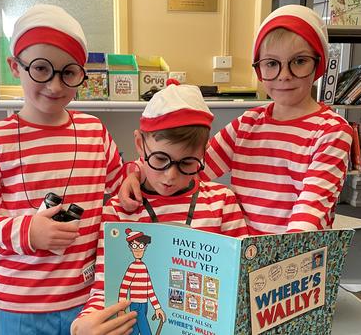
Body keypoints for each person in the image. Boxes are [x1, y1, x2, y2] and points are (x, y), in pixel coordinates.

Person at [0, 4, 136, 335]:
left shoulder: (94, 131)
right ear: (15, 67)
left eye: (69, 72)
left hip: (88, 298)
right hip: (21, 304)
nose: (54, 85)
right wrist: (27, 232)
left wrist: (136, 176)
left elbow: (121, 184)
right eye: (40, 69)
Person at [120, 5, 353, 234]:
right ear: (259, 68)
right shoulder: (248, 123)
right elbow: (192, 164)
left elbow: (310, 212)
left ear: (318, 62)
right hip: (243, 253)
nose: (284, 75)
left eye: (299, 61)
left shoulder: (332, 131)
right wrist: (135, 173)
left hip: (294, 259)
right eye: (272, 63)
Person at [71, 83, 249, 335]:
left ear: (203, 153)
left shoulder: (221, 203)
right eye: (160, 160)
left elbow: (239, 282)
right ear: (139, 145)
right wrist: (84, 323)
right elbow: (105, 288)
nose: (170, 176)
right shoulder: (119, 211)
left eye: (187, 162)